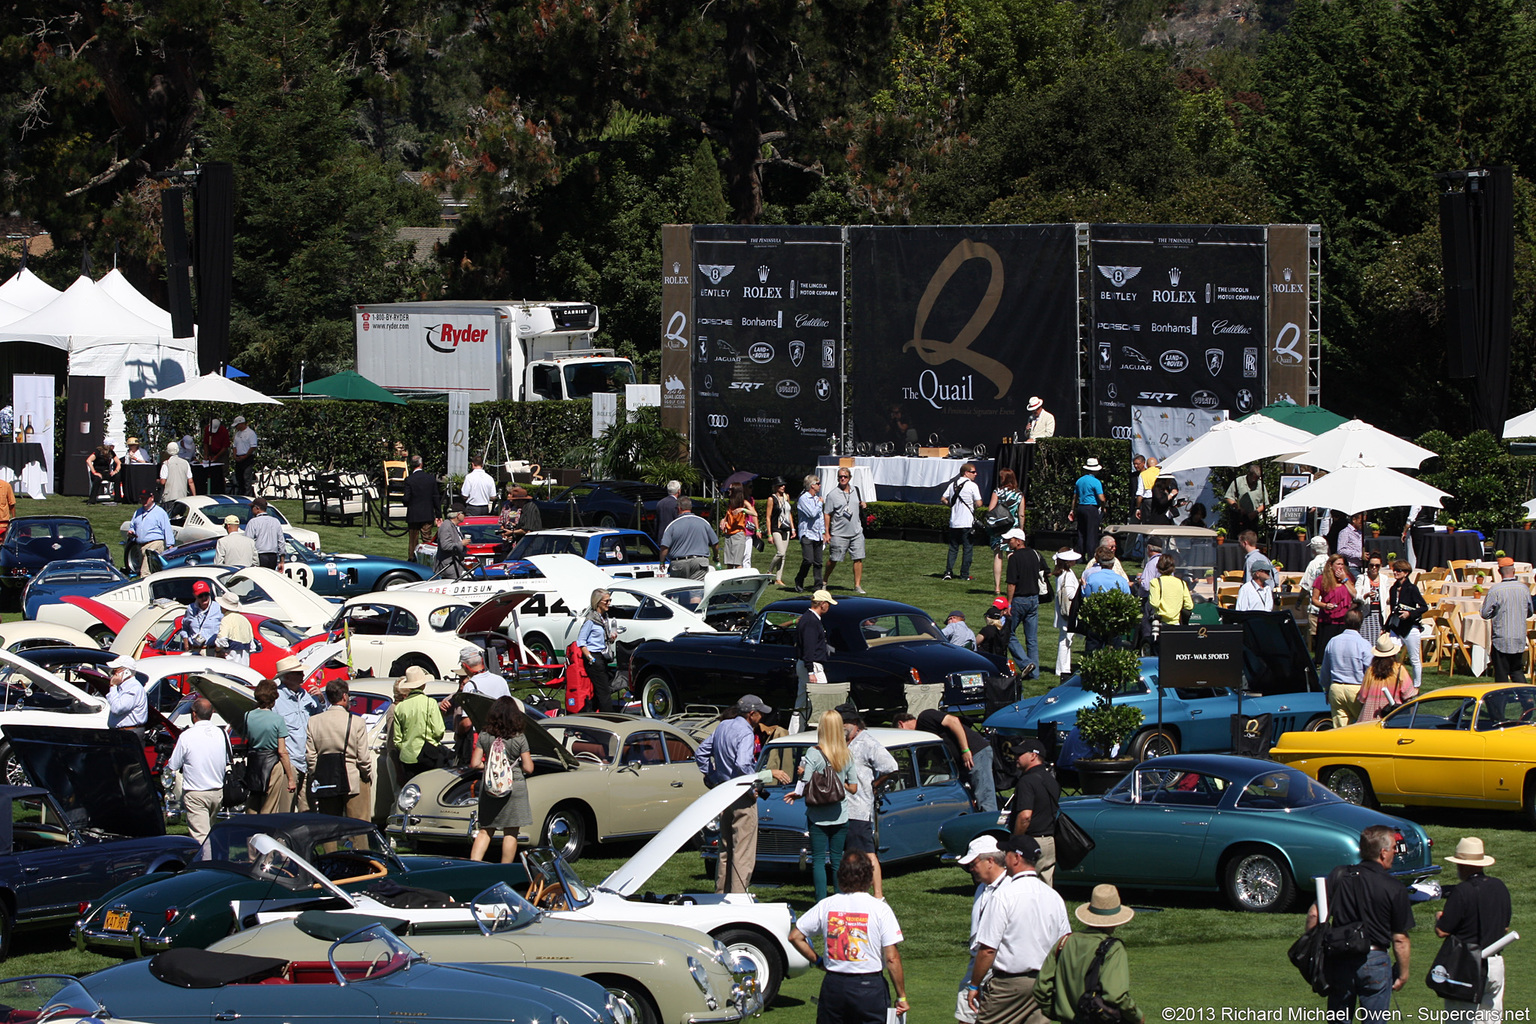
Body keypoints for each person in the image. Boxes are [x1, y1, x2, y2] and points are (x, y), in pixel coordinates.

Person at [1305, 825, 1413, 1019]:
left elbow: (1315, 914)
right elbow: (1400, 939)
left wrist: (1315, 952)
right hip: (1375, 960)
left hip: (1339, 958)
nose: (1395, 852)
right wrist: (1403, 973)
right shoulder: (1395, 887)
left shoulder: (1339, 874)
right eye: (1394, 848)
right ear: (1383, 853)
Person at [788, 853, 907, 1024]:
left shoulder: (827, 905)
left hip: (834, 985)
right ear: (868, 876)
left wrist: (818, 961)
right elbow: (892, 958)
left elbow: (795, 936)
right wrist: (901, 996)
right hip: (869, 987)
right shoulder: (880, 909)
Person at [967, 834, 1072, 1024]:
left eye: (1007, 853)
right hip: (1044, 983)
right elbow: (1064, 944)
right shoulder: (1054, 896)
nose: (1003, 857)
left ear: (1016, 858)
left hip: (1008, 986)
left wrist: (974, 985)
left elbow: (988, 949)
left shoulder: (1003, 896)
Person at [693, 695, 793, 893]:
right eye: (760, 714)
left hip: (723, 792)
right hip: (740, 794)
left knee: (725, 847)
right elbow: (742, 764)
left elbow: (701, 754)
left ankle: (720, 893)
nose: (761, 718)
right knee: (743, 850)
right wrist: (755, 784)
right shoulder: (746, 732)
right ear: (751, 714)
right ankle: (738, 896)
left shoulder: (722, 726)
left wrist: (713, 778)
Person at [1033, 884, 1143, 1024]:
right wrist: (1137, 1016)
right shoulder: (1114, 948)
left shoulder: (1065, 942)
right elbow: (1115, 996)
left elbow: (1041, 989)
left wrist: (1055, 1012)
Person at [784, 710, 859, 903]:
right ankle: (840, 901)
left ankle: (821, 902)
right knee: (836, 860)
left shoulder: (813, 752)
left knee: (818, 859)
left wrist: (800, 775)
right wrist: (837, 781)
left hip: (817, 814)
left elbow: (806, 780)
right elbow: (853, 788)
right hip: (840, 814)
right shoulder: (847, 754)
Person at [1434, 837, 1511, 1021]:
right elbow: (1505, 926)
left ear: (1462, 865)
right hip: (1495, 964)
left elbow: (1442, 931)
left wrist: (1439, 918)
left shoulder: (1462, 891)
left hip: (1466, 964)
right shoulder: (1499, 887)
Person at [469, 696, 535, 864]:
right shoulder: (519, 737)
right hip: (515, 786)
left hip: (490, 786)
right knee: (511, 832)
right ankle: (504, 869)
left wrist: (493, 768)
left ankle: (473, 865)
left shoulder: (484, 736)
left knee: (485, 830)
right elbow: (529, 768)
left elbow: (475, 763)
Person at [841, 707, 899, 898]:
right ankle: (852, 890)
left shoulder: (867, 742)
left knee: (867, 853)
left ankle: (878, 896)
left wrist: (875, 784)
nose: (841, 727)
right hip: (839, 808)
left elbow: (891, 766)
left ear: (855, 724)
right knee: (848, 855)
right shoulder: (839, 742)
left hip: (859, 808)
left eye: (844, 723)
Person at [896, 708, 996, 813]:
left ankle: (992, 824)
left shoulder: (925, 717)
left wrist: (965, 750)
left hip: (975, 752)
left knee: (984, 795)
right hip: (961, 763)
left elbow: (954, 721)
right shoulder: (923, 737)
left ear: (901, 724)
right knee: (967, 795)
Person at [957, 837, 1013, 1024]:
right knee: (965, 1017)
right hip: (977, 962)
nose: (971, 869)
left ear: (990, 861)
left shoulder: (1010, 889)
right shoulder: (982, 887)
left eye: (974, 863)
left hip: (998, 967)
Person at [166, 696, 227, 844]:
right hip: (217, 792)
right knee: (210, 833)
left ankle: (205, 864)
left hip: (196, 792)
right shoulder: (221, 733)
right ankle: (214, 859)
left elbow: (173, 764)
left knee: (201, 838)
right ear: (211, 714)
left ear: (194, 714)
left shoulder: (187, 736)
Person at [306, 678, 370, 816]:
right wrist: (366, 774)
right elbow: (363, 758)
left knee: (329, 828)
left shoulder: (313, 721)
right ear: (345, 696)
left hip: (325, 780)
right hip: (352, 780)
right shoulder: (357, 722)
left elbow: (311, 756)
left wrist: (316, 775)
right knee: (358, 827)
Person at [274, 656, 322, 812]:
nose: (302, 675)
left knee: (307, 808)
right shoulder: (276, 699)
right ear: (287, 677)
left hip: (307, 759)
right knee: (286, 808)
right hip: (291, 762)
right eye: (298, 673)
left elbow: (320, 719)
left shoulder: (306, 695)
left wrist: (321, 700)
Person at [1009, 738, 1060, 886]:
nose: (1016, 758)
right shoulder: (1050, 780)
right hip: (1049, 842)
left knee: (1024, 887)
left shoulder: (1027, 781)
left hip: (1031, 841)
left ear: (1033, 756)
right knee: (1045, 889)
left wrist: (1016, 840)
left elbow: (1025, 816)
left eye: (1020, 754)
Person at [245, 679, 298, 814]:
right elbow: (282, 751)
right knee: (270, 805)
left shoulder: (248, 716)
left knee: (253, 802)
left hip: (254, 761)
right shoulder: (277, 720)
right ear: (274, 699)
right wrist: (291, 778)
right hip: (272, 763)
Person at [1480, 557, 1533, 683]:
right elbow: (1529, 611)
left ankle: (1500, 702)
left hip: (1501, 637)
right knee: (1516, 670)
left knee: (1501, 673)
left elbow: (1485, 614)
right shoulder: (1524, 589)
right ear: (1514, 571)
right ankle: (1527, 700)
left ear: (1499, 572)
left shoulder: (1495, 590)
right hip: (1518, 637)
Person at [1004, 529, 1046, 679]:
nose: (1009, 542)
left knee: (1006, 632)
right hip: (1034, 599)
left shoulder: (1014, 558)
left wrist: (1008, 604)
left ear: (1019, 541)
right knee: (1032, 639)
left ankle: (1025, 662)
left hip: (1019, 599)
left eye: (1011, 540)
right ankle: (1034, 674)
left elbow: (1011, 583)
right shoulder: (1035, 554)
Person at [1321, 609, 1373, 728]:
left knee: (1340, 729)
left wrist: (1326, 688)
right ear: (1361, 623)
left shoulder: (1333, 641)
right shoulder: (1363, 643)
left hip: (1336, 688)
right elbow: (1370, 669)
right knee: (1363, 726)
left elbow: (1325, 668)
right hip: (1356, 688)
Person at [394, 665, 447, 781]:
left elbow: (397, 739)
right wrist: (433, 741)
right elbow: (439, 731)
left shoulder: (400, 707)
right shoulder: (430, 703)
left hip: (407, 758)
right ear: (423, 685)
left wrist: (406, 748)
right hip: (428, 755)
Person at [1387, 558, 1429, 690]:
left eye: (1399, 571)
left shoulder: (1412, 588)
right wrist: (1386, 627)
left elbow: (1424, 607)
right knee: (1390, 655)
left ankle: (1416, 685)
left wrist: (1409, 614)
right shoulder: (1393, 589)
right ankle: (1393, 682)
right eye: (1395, 570)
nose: (1396, 573)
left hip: (1411, 627)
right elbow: (1392, 610)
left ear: (1406, 573)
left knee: (1414, 659)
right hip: (1397, 627)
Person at [823, 469, 868, 593]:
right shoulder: (832, 495)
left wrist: (863, 504)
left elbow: (857, 503)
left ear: (850, 477)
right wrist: (827, 532)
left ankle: (857, 585)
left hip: (856, 531)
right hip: (839, 533)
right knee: (834, 559)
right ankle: (824, 580)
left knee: (858, 558)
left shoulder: (855, 490)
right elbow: (827, 514)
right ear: (837, 478)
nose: (843, 479)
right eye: (840, 477)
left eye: (845, 476)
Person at [795, 589, 836, 722]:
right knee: (822, 702)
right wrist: (811, 671)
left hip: (807, 665)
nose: (828, 607)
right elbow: (809, 647)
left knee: (801, 703)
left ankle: (794, 734)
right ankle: (822, 733)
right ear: (822, 604)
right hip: (812, 667)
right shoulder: (811, 621)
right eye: (828, 604)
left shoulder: (807, 618)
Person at [578, 589, 620, 712]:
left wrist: (611, 638)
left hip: (603, 656)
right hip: (594, 657)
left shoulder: (604, 618)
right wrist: (591, 659)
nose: (609, 603)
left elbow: (604, 640)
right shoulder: (591, 620)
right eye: (606, 601)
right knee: (604, 691)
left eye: (609, 600)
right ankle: (608, 717)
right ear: (598, 602)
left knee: (600, 689)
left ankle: (593, 713)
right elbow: (581, 641)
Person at [1357, 634, 1415, 722]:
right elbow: (1409, 695)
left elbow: (1362, 696)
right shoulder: (1399, 670)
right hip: (1392, 716)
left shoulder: (1370, 670)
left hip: (1370, 717)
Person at [660, 497, 718, 580]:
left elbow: (664, 547)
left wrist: (662, 562)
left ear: (679, 508)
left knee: (678, 589)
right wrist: (716, 556)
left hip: (679, 563)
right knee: (697, 588)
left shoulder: (672, 525)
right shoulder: (703, 522)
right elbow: (715, 543)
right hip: (700, 562)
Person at [943, 463, 983, 581]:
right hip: (967, 522)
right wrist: (973, 506)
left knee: (953, 548)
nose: (976, 474)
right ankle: (964, 574)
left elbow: (943, 499)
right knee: (967, 548)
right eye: (973, 472)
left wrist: (951, 505)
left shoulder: (952, 485)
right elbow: (979, 503)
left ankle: (948, 572)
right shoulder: (972, 486)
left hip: (954, 521)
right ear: (966, 473)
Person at [988, 469, 1024, 597]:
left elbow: (991, 509)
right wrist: (1021, 529)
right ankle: (1013, 583)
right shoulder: (1019, 494)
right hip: (1012, 527)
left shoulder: (997, 491)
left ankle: (997, 587)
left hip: (999, 527)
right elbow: (1021, 514)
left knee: (998, 555)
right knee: (1012, 555)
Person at [1312, 553, 1356, 657]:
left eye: (1342, 564)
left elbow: (1354, 593)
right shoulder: (1321, 579)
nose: (1341, 567)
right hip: (1328, 619)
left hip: (1344, 618)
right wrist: (1325, 605)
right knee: (1326, 648)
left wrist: (1344, 578)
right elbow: (1314, 599)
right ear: (1331, 565)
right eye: (1338, 564)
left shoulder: (1348, 578)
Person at [127, 491, 174, 574]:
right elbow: (133, 526)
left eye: (146, 498)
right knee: (152, 572)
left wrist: (170, 546)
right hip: (141, 546)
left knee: (145, 572)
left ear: (152, 498)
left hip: (154, 544)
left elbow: (167, 529)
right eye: (142, 498)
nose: (143, 501)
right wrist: (131, 532)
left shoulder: (160, 512)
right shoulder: (137, 512)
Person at [403, 455, 439, 559]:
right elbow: (435, 497)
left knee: (413, 540)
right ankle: (429, 558)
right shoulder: (430, 479)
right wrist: (438, 514)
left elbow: (406, 498)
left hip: (414, 514)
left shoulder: (409, 480)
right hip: (427, 513)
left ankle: (412, 559)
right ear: (421, 464)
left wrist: (406, 503)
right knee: (427, 538)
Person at [1069, 459, 1106, 562]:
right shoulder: (1096, 482)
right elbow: (1102, 498)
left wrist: (1072, 509)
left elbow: (1075, 497)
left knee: (1081, 532)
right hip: (1091, 508)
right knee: (1091, 533)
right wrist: (1103, 507)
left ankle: (1080, 556)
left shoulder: (1079, 480)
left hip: (1081, 507)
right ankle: (1091, 557)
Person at [794, 476, 826, 591]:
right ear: (812, 485)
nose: (819, 485)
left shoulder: (816, 499)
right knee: (808, 560)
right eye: (818, 483)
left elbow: (820, 518)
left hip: (817, 534)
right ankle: (799, 579)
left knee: (818, 562)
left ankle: (818, 585)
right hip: (807, 533)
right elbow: (811, 514)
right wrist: (820, 504)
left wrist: (823, 532)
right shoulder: (804, 499)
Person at [1052, 550, 1080, 676]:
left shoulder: (1063, 573)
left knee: (1066, 639)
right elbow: (1070, 594)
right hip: (1067, 612)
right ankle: (1062, 669)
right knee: (1065, 640)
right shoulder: (1067, 575)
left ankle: (1064, 668)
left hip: (1063, 611)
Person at [1299, 536, 1332, 639]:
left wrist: (1299, 601)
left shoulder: (1313, 564)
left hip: (1316, 607)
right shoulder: (1332, 562)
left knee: (1315, 637)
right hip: (1331, 605)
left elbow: (1306, 586)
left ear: (1314, 550)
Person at [178, 579, 223, 653]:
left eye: (206, 594)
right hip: (195, 649)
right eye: (200, 596)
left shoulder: (218, 608)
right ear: (195, 595)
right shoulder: (190, 609)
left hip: (212, 650)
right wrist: (186, 644)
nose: (204, 598)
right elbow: (184, 628)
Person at [105, 656, 149, 732]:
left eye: (115, 671)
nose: (112, 673)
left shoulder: (133, 688)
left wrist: (113, 686)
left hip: (129, 732)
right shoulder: (122, 687)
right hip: (121, 731)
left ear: (126, 672)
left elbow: (117, 709)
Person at [1224, 464, 1268, 535]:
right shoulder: (1238, 482)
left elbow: (1265, 503)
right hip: (1238, 517)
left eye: (1257, 479)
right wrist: (1238, 508)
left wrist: (1256, 512)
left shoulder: (1261, 485)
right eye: (1254, 479)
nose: (1255, 482)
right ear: (1249, 474)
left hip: (1253, 517)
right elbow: (1228, 497)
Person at [1150, 554, 1194, 624]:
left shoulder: (1155, 582)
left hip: (1160, 622)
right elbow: (1189, 605)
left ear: (1158, 567)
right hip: (1177, 622)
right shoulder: (1181, 583)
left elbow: (1155, 603)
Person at [768, 477, 796, 586]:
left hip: (786, 527)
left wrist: (793, 528)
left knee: (783, 555)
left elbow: (789, 514)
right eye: (780, 485)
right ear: (775, 487)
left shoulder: (786, 497)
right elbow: (768, 517)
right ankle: (770, 571)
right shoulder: (772, 499)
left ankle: (778, 578)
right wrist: (769, 534)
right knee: (780, 552)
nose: (783, 487)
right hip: (776, 528)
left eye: (784, 485)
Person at [1355, 554, 1389, 643]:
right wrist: (1365, 596)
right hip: (1366, 613)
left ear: (1380, 566)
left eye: (1377, 565)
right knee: (1366, 640)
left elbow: (1387, 597)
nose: (1374, 568)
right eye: (1371, 565)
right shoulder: (1362, 578)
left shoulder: (1384, 578)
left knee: (1378, 641)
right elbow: (1356, 596)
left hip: (1379, 614)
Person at [245, 497, 285, 570]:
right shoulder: (275, 521)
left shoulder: (253, 522)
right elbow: (281, 541)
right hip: (273, 556)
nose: (251, 510)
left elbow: (248, 541)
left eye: (252, 507)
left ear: (257, 508)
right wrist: (282, 561)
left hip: (259, 556)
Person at [719, 489, 753, 569]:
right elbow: (728, 516)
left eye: (731, 489)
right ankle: (730, 581)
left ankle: (739, 581)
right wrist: (723, 520)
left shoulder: (743, 502)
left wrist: (742, 509)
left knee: (737, 563)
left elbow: (754, 513)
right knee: (729, 563)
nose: (729, 491)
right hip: (729, 534)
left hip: (738, 534)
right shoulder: (731, 503)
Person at [230, 415, 257, 495]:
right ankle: (241, 493)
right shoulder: (237, 434)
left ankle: (248, 495)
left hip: (247, 457)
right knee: (239, 477)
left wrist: (245, 457)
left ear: (241, 424)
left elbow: (253, 446)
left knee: (246, 478)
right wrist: (235, 456)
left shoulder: (250, 433)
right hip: (239, 457)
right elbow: (234, 446)